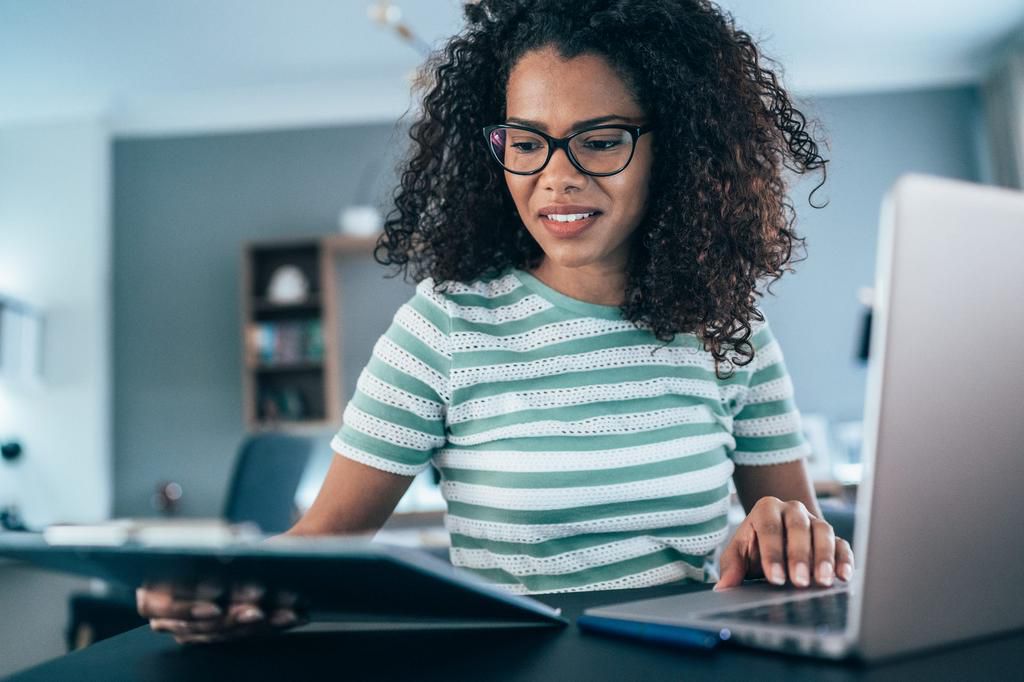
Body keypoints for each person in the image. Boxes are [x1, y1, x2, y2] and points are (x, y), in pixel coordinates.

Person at [138, 0, 852, 644]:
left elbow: (798, 549)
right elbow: (322, 537)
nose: (556, 178)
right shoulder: (444, 327)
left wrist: (783, 538)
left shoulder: (730, 331)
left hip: (686, 662)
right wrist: (212, 580)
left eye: (600, 140)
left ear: (675, 150)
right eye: (526, 141)